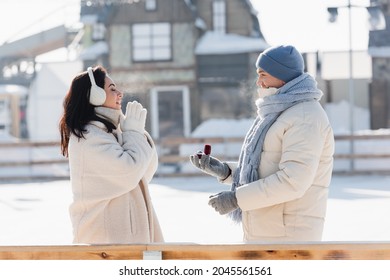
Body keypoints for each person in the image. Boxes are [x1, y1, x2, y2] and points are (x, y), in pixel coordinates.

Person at [190, 45, 335, 242]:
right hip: (268, 232)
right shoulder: (278, 111)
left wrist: (236, 199)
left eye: (263, 74)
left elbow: (293, 181)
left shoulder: (304, 117)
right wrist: (226, 172)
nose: (258, 82)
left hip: (289, 239)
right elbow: (265, 166)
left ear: (281, 75)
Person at [59, 65, 164, 244]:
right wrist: (133, 134)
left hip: (126, 242)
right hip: (105, 246)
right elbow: (130, 171)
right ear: (94, 95)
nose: (120, 93)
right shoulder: (89, 137)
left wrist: (133, 130)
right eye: (112, 89)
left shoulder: (112, 132)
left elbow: (145, 172)